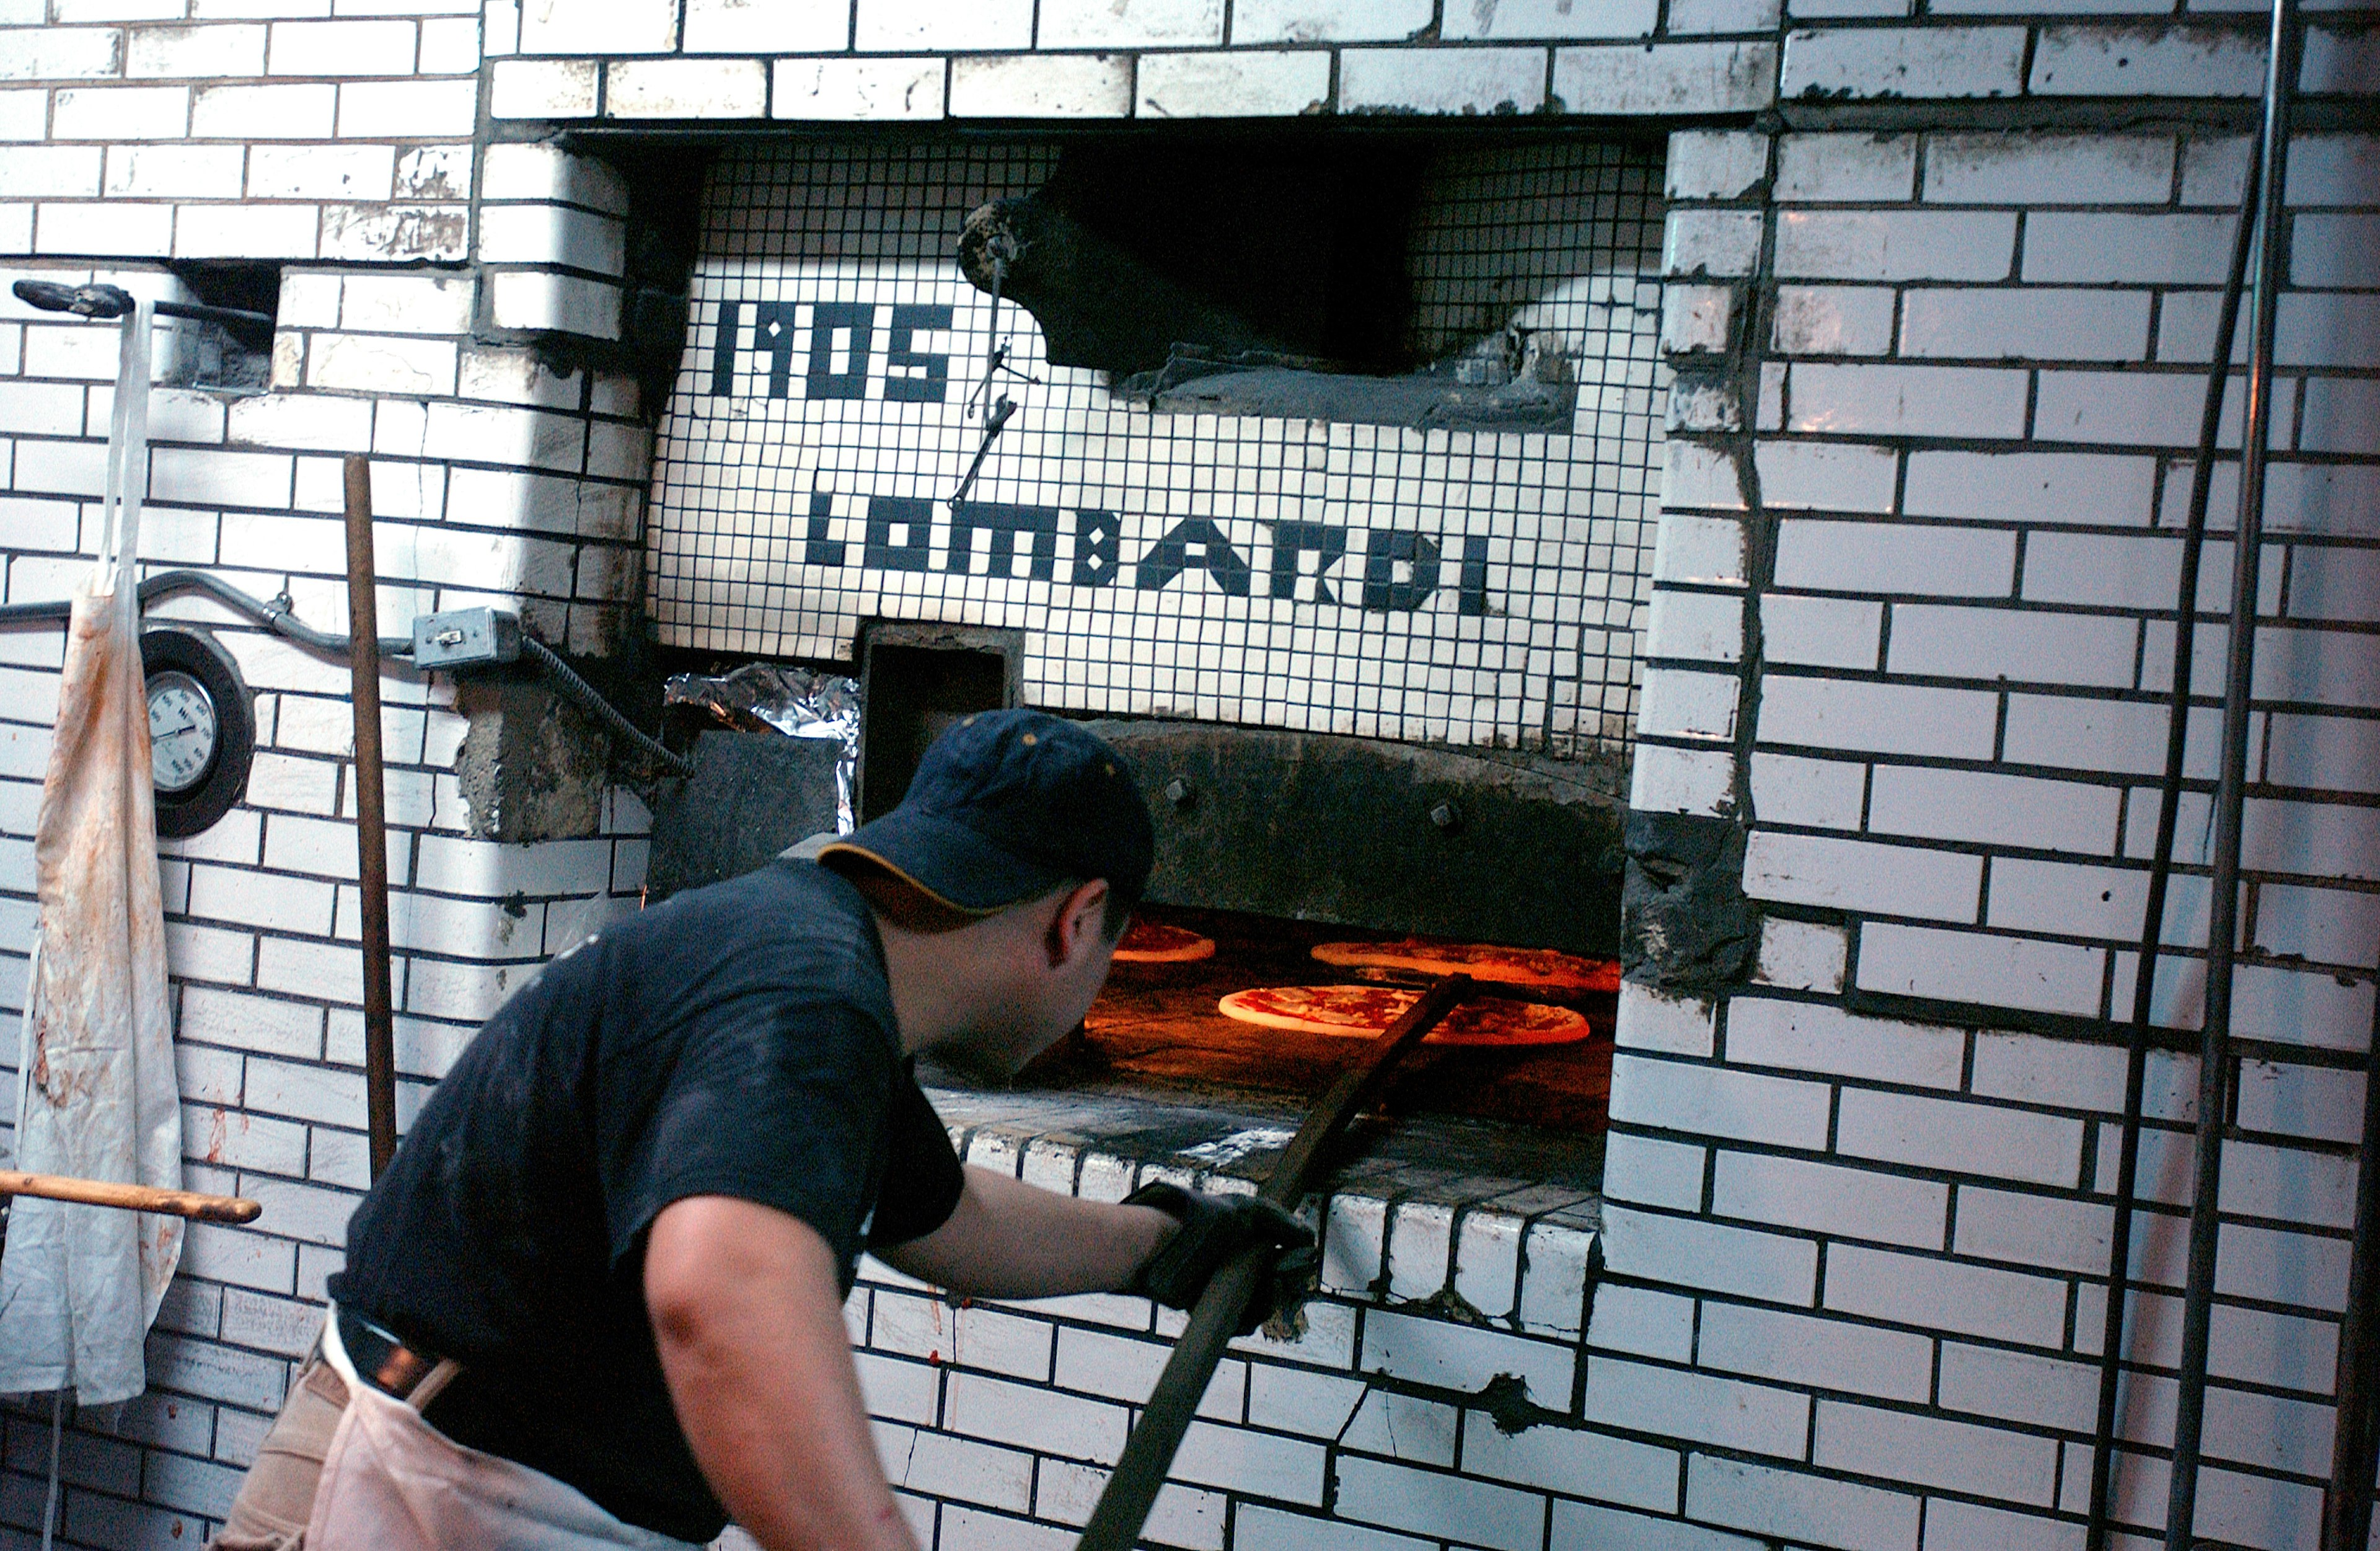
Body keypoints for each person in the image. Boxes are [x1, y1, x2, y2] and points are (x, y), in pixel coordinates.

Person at [217, 709, 1311, 1550]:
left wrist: (1164, 1243)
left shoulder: (816, 969)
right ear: (1078, 921)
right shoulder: (810, 1000)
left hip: (496, 1487)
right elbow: (720, 1296)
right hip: (424, 1494)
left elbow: (948, 1215)